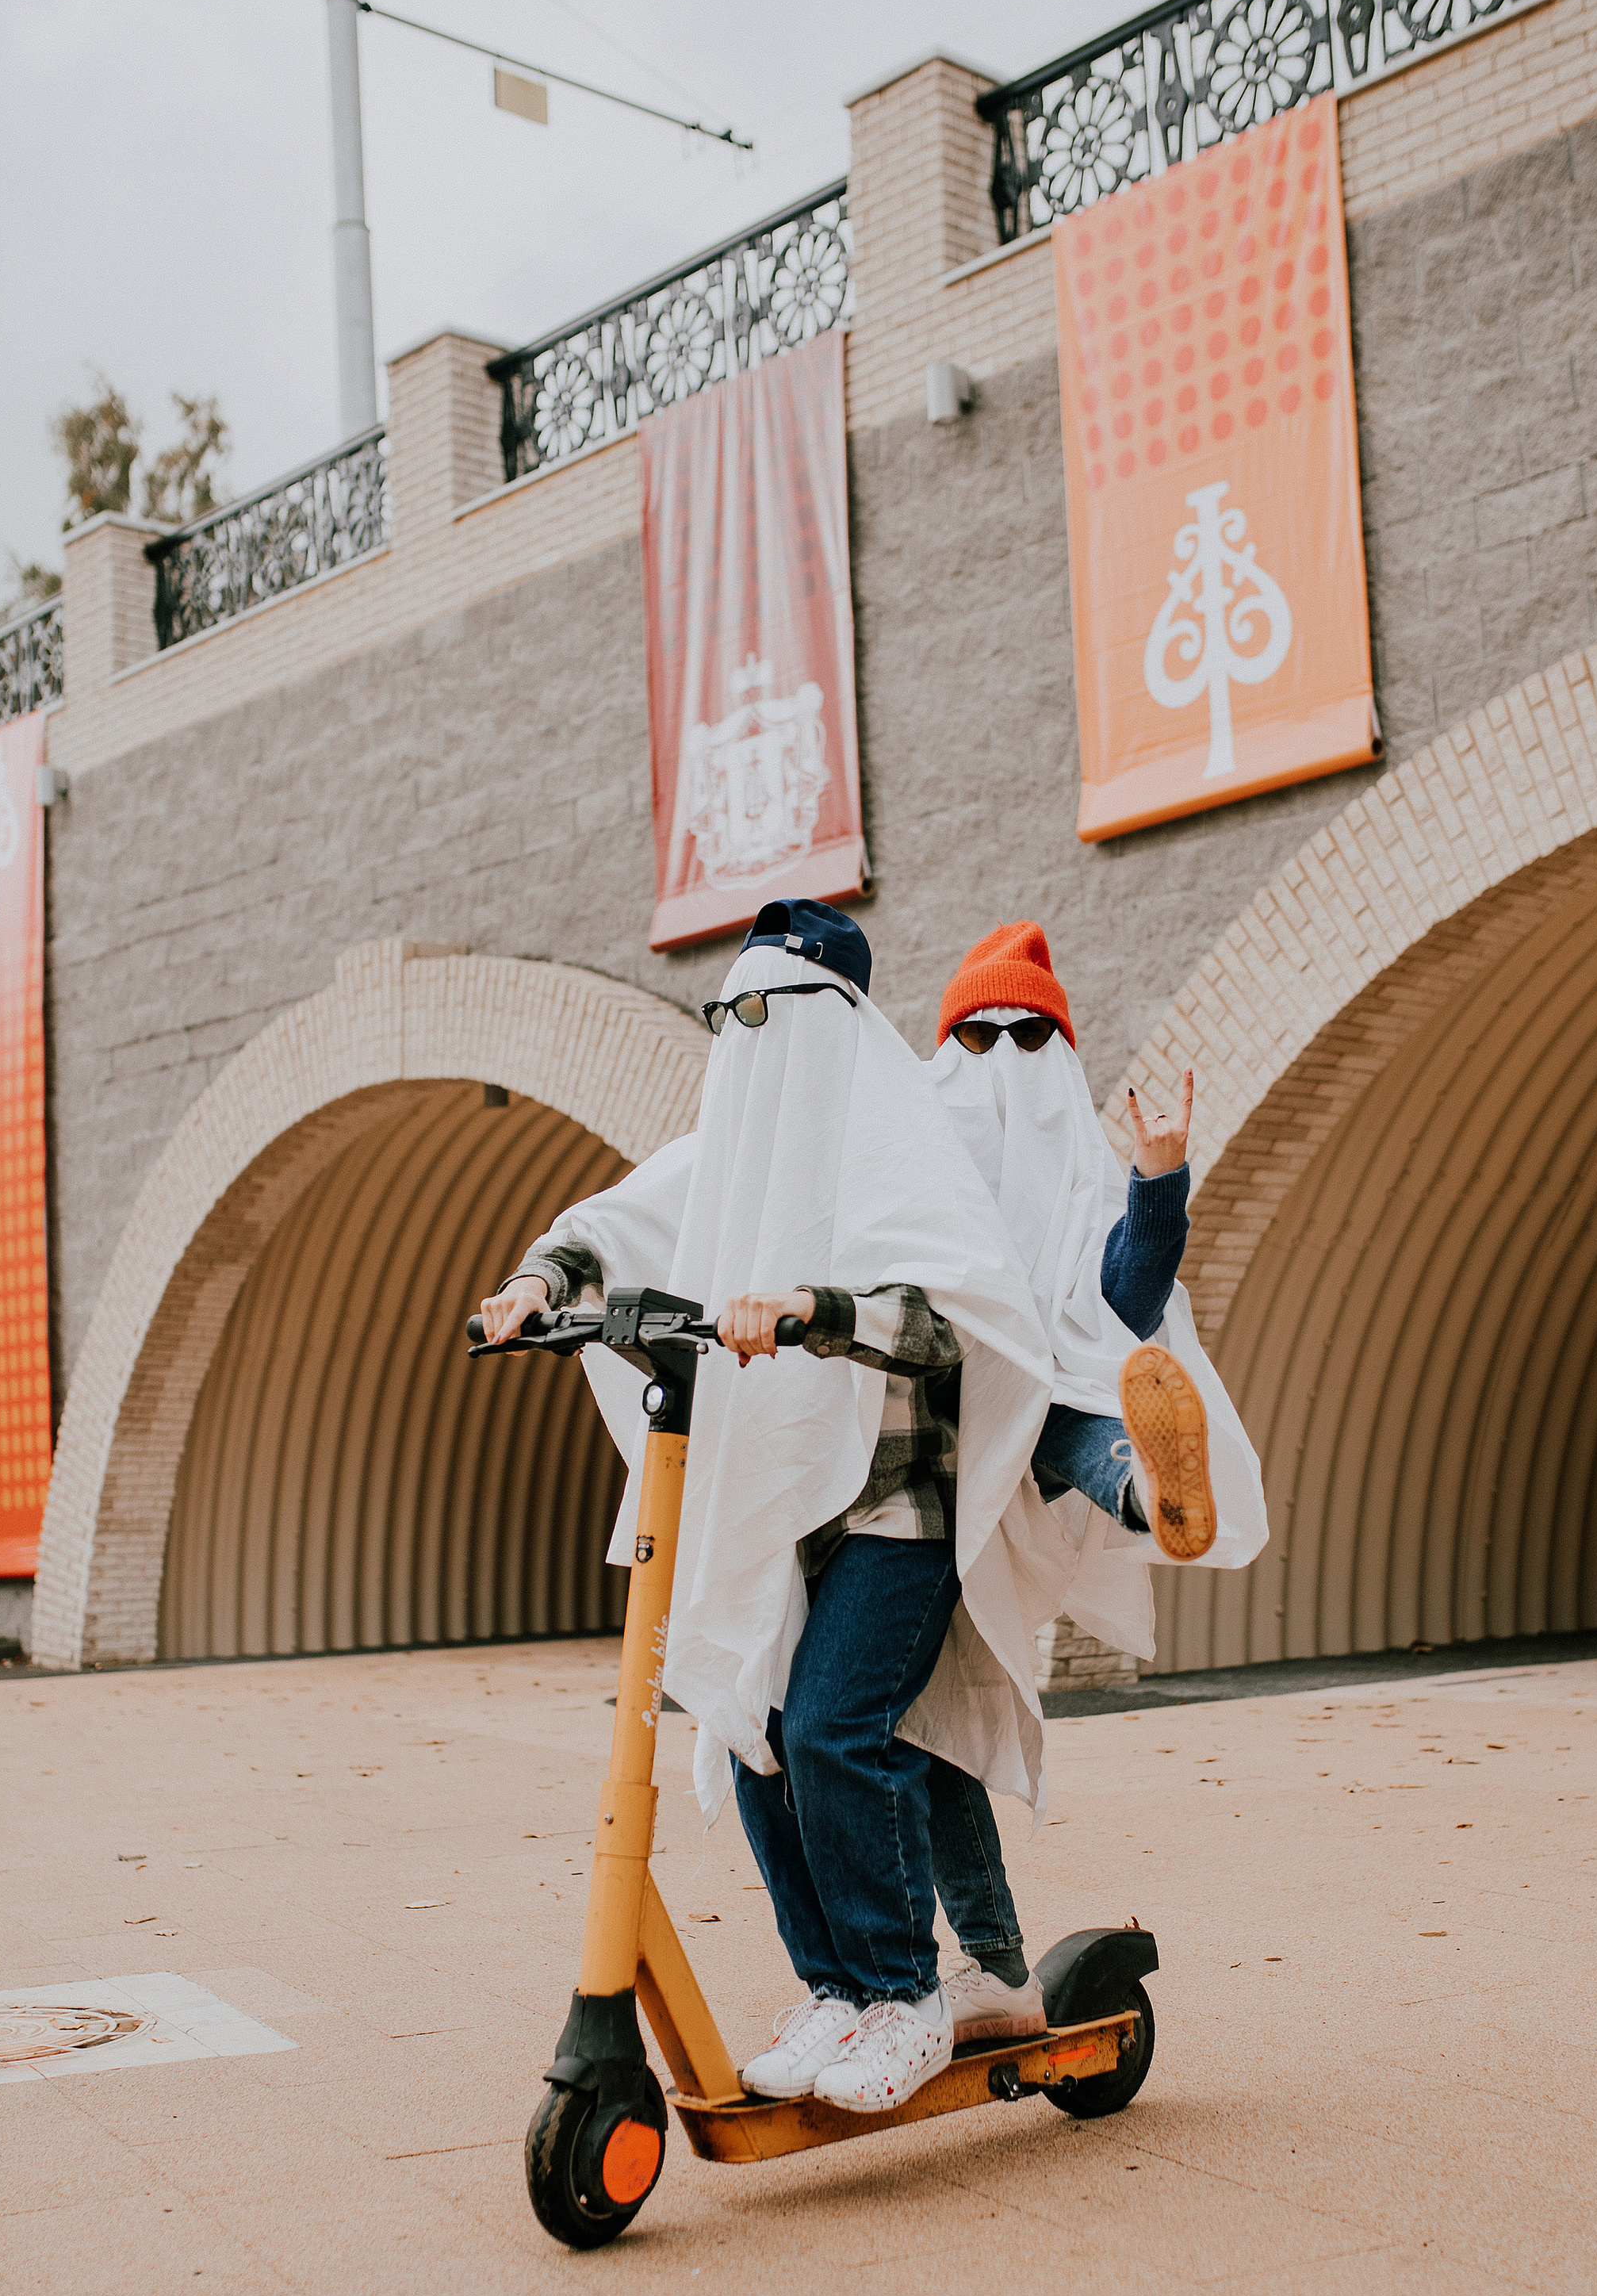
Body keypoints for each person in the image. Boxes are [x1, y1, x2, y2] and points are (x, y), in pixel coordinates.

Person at [479, 899, 1059, 2116]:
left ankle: (903, 1998)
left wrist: (818, 1310)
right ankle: (839, 1991)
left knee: (831, 1730)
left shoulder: (893, 1141)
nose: (743, 1040)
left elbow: (959, 1315)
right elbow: (621, 1218)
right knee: (749, 1730)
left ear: (829, 1023)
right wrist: (540, 1282)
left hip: (897, 1504)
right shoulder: (736, 1147)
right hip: (783, 1507)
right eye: (724, 1016)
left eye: (763, 1013)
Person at [921, 922, 1270, 2023]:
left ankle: (1149, 1490)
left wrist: (1157, 1182)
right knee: (925, 1725)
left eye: (1032, 1038)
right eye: (978, 1036)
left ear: (1062, 1054)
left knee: (1069, 1396)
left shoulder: (1072, 1171)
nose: (1005, 1060)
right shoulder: (916, 1161)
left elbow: (1121, 1296)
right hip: (932, 1446)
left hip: (1042, 1412)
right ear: (944, 1045)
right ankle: (979, 1955)